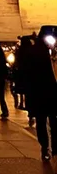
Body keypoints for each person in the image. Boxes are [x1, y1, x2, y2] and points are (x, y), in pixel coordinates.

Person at [26, 31, 57, 161]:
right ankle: (49, 147)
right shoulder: (40, 54)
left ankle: (46, 148)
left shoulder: (38, 52)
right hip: (46, 93)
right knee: (49, 122)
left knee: (44, 122)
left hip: (40, 94)